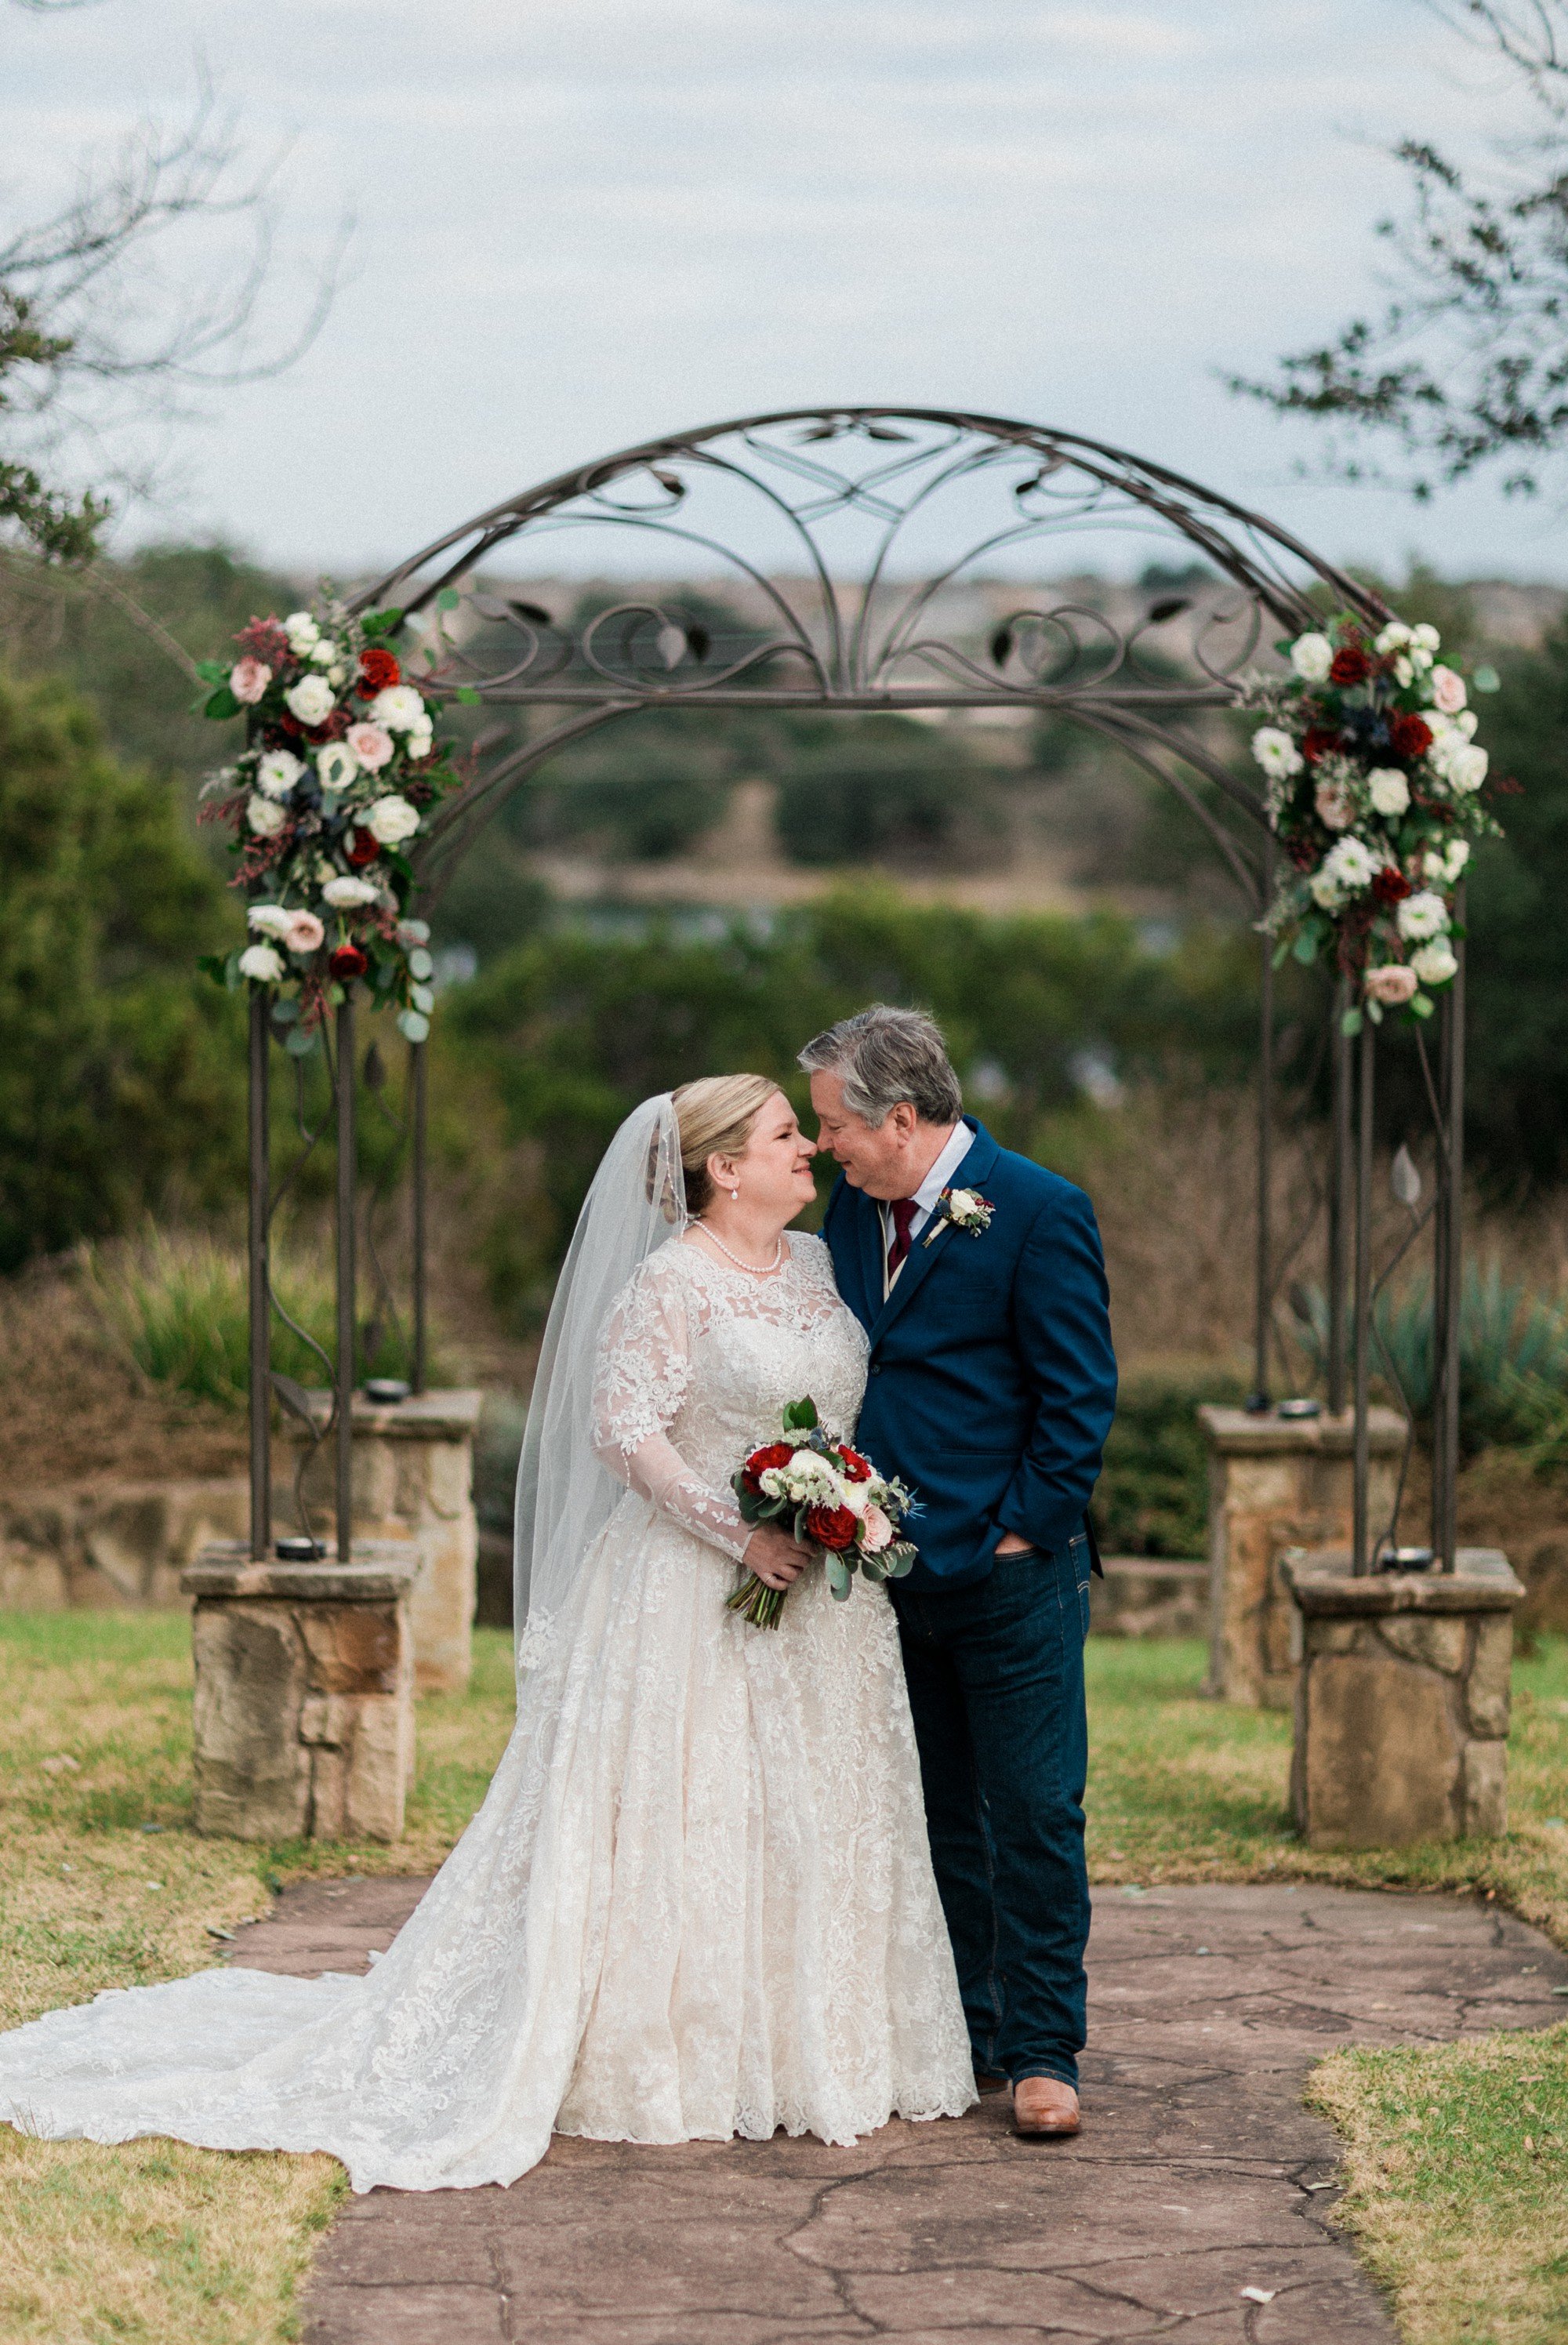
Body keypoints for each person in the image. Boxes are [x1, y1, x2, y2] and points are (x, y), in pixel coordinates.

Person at [0, 1079, 973, 2191]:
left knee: (809, 1815)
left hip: (824, 1608)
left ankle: (817, 2050)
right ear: (721, 1168)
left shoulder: (816, 1265)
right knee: (688, 1812)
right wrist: (738, 1532)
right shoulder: (668, 1284)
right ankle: (668, 2056)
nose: (809, 1148)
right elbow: (624, 1433)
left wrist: (836, 1505)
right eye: (784, 1136)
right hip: (692, 1592)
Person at [803, 1007, 1117, 2139]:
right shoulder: (849, 1208)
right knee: (939, 1816)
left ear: (899, 1117)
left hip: (1011, 1579)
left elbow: (1078, 1395)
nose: (822, 1143)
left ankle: (1045, 2053)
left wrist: (1025, 1530)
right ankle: (973, 2031)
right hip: (884, 1580)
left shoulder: (1038, 1210)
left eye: (834, 1123)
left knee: (1033, 1809)